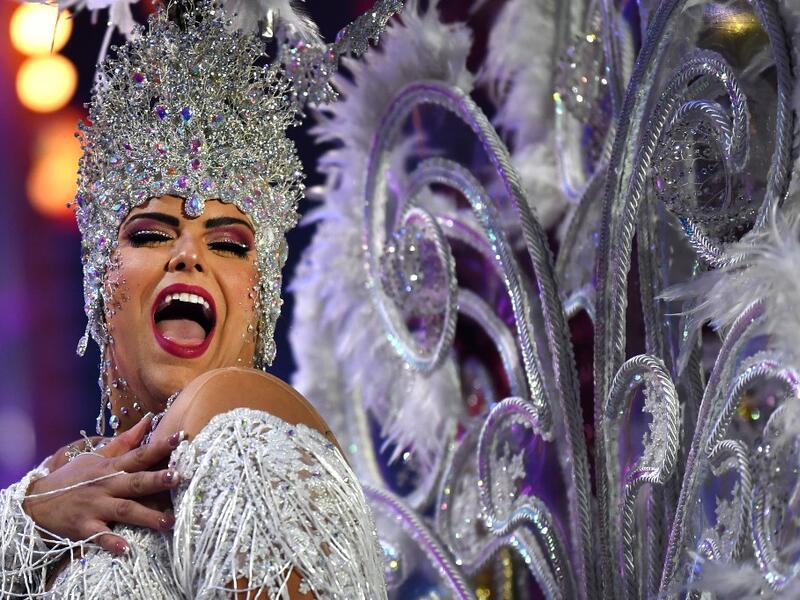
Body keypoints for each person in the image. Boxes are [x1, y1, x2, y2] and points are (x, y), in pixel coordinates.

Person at [0, 1, 400, 597]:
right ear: (100, 285)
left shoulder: (234, 414)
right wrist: (26, 523)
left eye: (230, 245)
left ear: (258, 304)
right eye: (152, 234)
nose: (188, 256)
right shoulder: (65, 484)